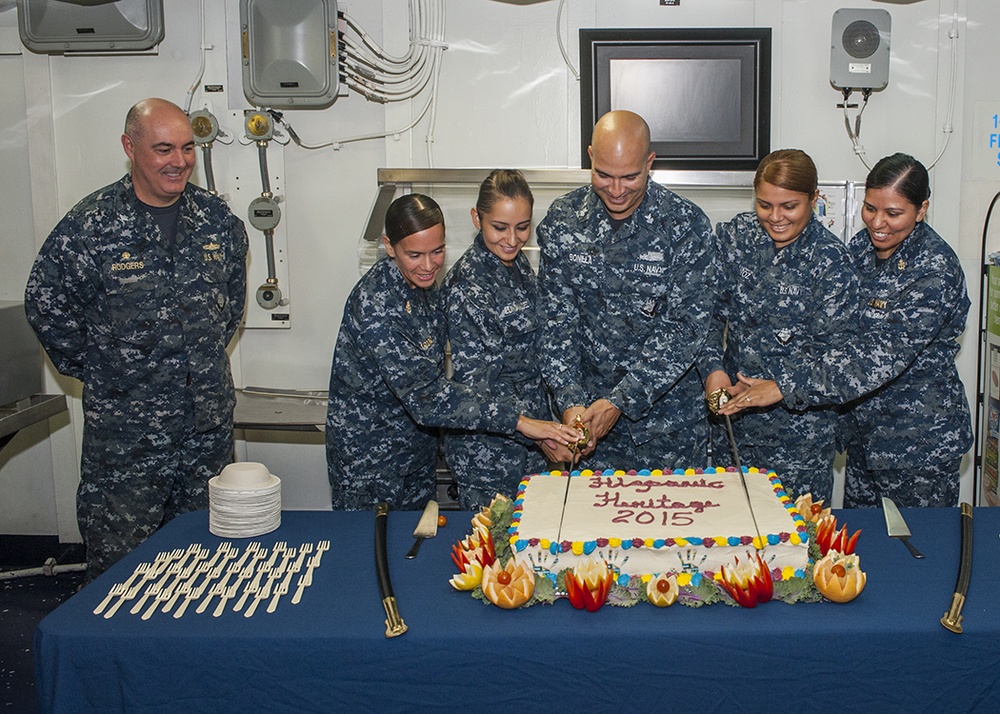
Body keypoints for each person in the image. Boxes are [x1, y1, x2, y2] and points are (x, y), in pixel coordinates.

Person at [24, 98, 248, 580]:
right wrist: (109, 370)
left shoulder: (217, 222)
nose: (180, 161)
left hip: (203, 435)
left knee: (210, 561)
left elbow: (227, 308)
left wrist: (193, 359)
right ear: (130, 147)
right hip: (127, 441)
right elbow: (47, 306)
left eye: (188, 148)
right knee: (121, 571)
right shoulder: (90, 227)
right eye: (164, 148)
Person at [720, 153, 972, 507]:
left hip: (917, 445)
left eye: (893, 213)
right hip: (863, 439)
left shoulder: (934, 270)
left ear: (922, 208)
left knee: (916, 551)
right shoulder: (861, 247)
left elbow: (876, 357)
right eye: (870, 208)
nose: (878, 223)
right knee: (857, 550)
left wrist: (785, 385)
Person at [326, 193, 581, 511]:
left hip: (415, 457)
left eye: (438, 251)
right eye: (415, 254)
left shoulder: (421, 286)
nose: (429, 265)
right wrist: (522, 423)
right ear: (389, 246)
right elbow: (427, 396)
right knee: (369, 554)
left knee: (415, 552)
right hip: (370, 468)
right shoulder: (377, 303)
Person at [535, 110, 719, 469]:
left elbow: (685, 330)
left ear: (650, 163)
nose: (616, 190)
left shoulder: (685, 226)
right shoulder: (563, 221)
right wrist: (571, 404)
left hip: (667, 433)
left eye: (630, 176)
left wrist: (621, 400)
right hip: (586, 431)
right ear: (590, 156)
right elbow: (556, 325)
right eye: (604, 175)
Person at [702, 149, 860, 501]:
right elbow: (710, 312)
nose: (775, 218)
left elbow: (841, 361)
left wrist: (782, 386)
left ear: (814, 199)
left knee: (795, 544)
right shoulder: (738, 237)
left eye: (789, 206)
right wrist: (714, 369)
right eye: (764, 205)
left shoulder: (832, 263)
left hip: (798, 441)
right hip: (734, 427)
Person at [443, 170, 552, 509]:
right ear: (477, 218)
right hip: (488, 454)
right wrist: (541, 433)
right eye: (500, 227)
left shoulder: (517, 266)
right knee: (493, 555)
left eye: (522, 227)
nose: (512, 239)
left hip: (529, 440)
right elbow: (478, 389)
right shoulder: (469, 286)